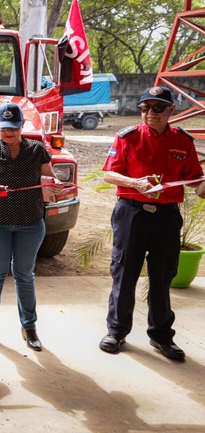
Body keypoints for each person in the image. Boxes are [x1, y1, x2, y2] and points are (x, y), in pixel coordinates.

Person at [99, 86, 205, 361]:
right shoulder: (128, 137)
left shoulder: (183, 141)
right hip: (131, 214)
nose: (150, 113)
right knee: (124, 273)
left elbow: (196, 181)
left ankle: (161, 336)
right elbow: (109, 174)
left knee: (162, 276)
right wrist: (134, 182)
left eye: (158, 108)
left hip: (167, 217)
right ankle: (117, 331)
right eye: (145, 108)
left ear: (171, 111)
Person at [0, 102, 62, 352]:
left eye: (13, 127)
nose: (9, 133)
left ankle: (29, 328)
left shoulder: (37, 150)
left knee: (24, 275)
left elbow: (49, 179)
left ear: (22, 126)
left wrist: (56, 185)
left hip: (31, 223)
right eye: (4, 128)